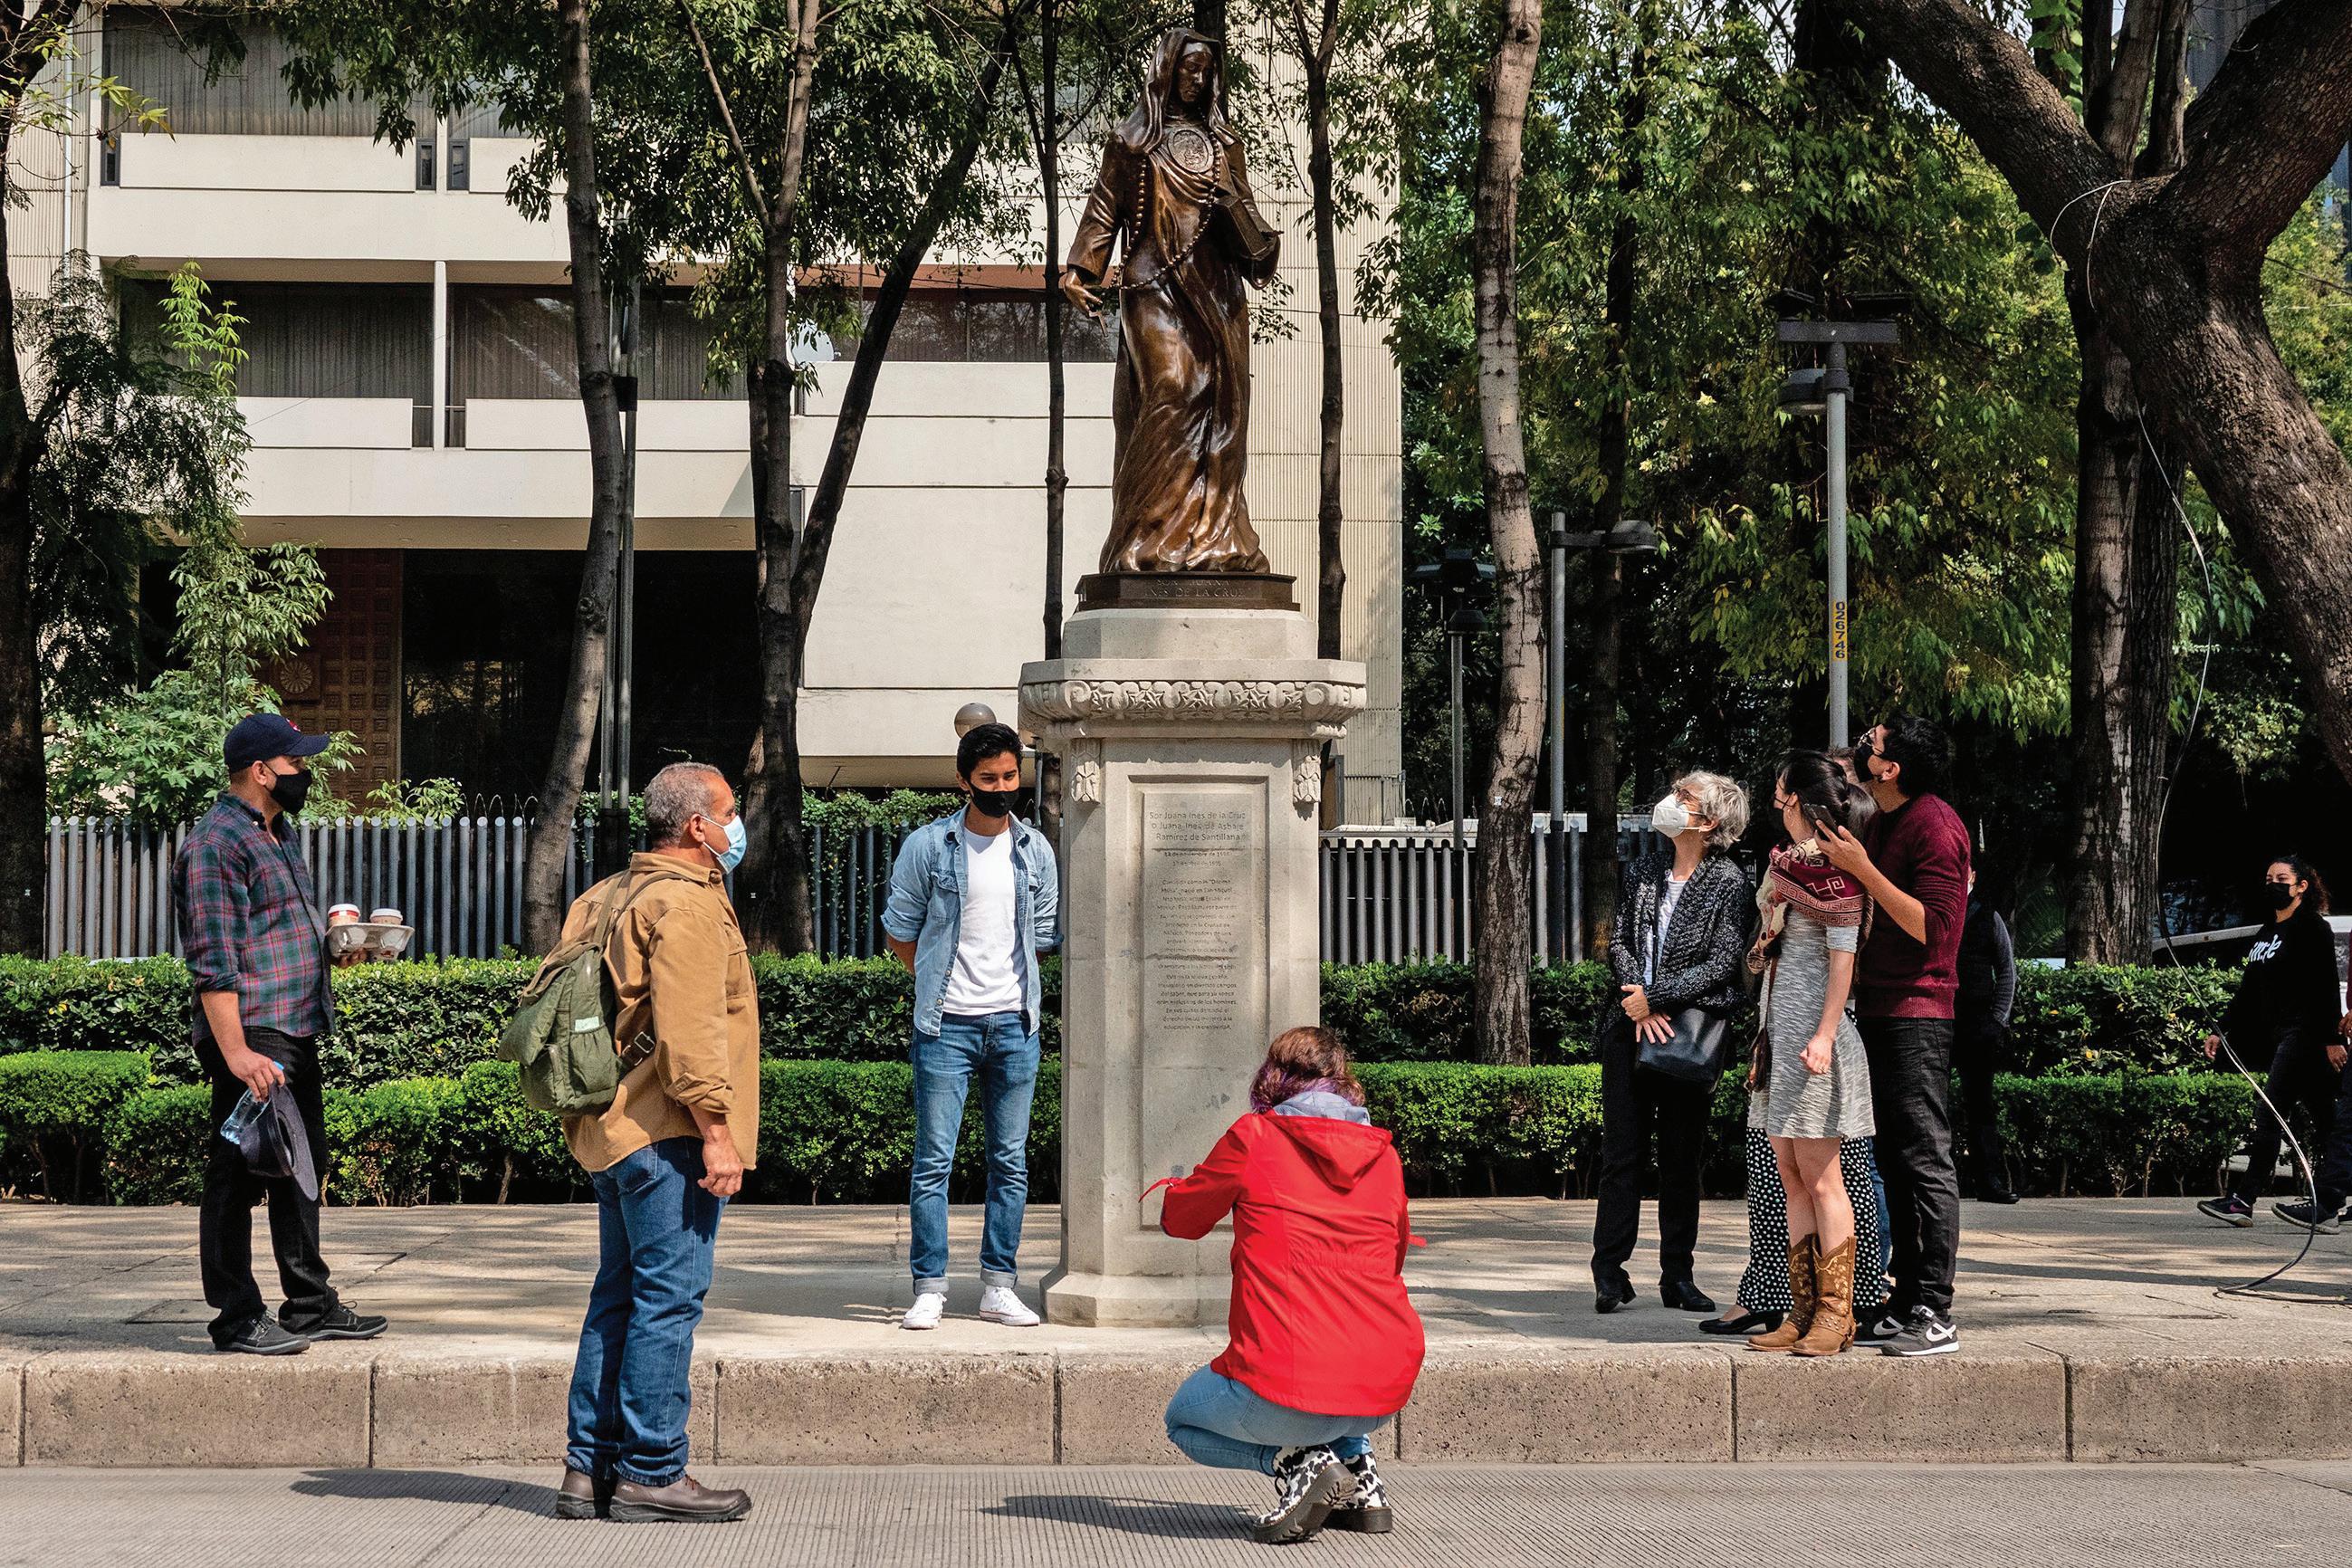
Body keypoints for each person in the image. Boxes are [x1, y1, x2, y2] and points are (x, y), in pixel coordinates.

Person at [558, 762, 759, 1525]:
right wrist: (718, 1135)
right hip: (666, 1132)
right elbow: (692, 1033)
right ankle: (652, 1470)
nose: (737, 825)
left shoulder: (607, 894)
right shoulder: (687, 903)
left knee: (618, 1296)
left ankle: (588, 1470)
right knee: (668, 1301)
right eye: (730, 812)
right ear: (698, 826)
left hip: (612, 1131)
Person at [1152, 1028, 1423, 1545]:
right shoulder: (1383, 1153)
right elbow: (1395, 1254)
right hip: (1383, 1390)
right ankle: (1361, 1478)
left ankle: (1298, 1461)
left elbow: (1183, 1221)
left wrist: (1177, 1186)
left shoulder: (1254, 1136)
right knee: (1339, 1350)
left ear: (1273, 1078)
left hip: (1285, 1387)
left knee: (1183, 1420)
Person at [173, 712, 387, 1358]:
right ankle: (236, 1317)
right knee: (237, 1172)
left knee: (300, 1167)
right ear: (263, 771)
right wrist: (237, 1052)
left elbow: (272, 939)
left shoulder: (277, 833)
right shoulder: (216, 844)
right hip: (253, 1031)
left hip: (293, 1024)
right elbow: (213, 960)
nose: (306, 772)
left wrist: (338, 951)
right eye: (297, 762)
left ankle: (309, 1305)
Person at [883, 722, 1061, 1331]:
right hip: (945, 1027)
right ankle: (930, 1287)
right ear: (964, 781)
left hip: (1015, 1025)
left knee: (1010, 1163)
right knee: (934, 1161)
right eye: (989, 778)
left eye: (1010, 776)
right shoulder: (929, 846)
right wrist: (938, 982)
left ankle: (998, 1287)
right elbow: (899, 931)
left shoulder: (1035, 850)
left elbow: (1042, 937)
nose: (1002, 787)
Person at [1821, 714, 1971, 1356]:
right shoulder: (1884, 820)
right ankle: (1906, 1298)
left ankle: (1935, 1310)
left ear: (1891, 767)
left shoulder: (1936, 824)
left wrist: (1865, 870)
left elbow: (1935, 929)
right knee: (1895, 1161)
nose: (1862, 747)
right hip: (1880, 1006)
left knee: (1925, 1159)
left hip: (1919, 1012)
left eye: (1872, 744)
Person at [1591, 771, 1754, 1315]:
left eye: (1685, 797)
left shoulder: (1728, 881)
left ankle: (1677, 1276)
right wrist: (1636, 998)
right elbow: (1619, 941)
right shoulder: (1645, 868)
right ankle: (1609, 1271)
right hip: (1629, 1025)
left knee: (1682, 1159)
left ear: (1710, 821)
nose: (1671, 802)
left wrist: (1656, 999)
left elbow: (1723, 961)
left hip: (1687, 1034)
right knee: (1621, 1156)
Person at [1742, 753, 1879, 1355]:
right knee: (1792, 1177)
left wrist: (1823, 1035)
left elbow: (1843, 963)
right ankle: (1799, 1313)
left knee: (1824, 1181)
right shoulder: (1788, 866)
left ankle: (1835, 1314)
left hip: (1815, 1047)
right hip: (1778, 1040)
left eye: (1779, 790)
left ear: (1796, 797)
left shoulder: (1835, 873)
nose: (1774, 801)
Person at [2197, 856, 2346, 1229]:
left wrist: (2332, 1039)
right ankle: (2335, 1197)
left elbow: (2326, 985)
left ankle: (2243, 1200)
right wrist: (2221, 1029)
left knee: (2270, 1113)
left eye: (2282, 878)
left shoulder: (2312, 928)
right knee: (2328, 1121)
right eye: (2269, 879)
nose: (2273, 885)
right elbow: (2249, 990)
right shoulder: (2268, 931)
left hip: (2304, 1034)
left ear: (2301, 886)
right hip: (2280, 1035)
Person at [1955, 868, 2020, 1204]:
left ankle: (1991, 1182)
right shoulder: (1934, 911)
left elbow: (2007, 971)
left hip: (1979, 1026)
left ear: (1973, 877)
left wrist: (1997, 1020)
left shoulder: (1988, 916)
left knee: (1980, 1106)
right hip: (1937, 1022)